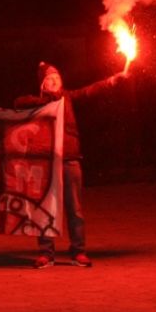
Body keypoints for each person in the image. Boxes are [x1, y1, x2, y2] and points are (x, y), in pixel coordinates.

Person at [15, 61, 125, 269]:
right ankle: (46, 253)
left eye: (57, 77)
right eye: (49, 78)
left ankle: (78, 251)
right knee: (46, 209)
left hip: (70, 160)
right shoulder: (37, 102)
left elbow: (89, 91)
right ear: (43, 85)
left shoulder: (68, 98)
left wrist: (111, 81)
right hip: (46, 163)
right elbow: (18, 103)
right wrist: (45, 100)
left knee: (75, 209)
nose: (54, 80)